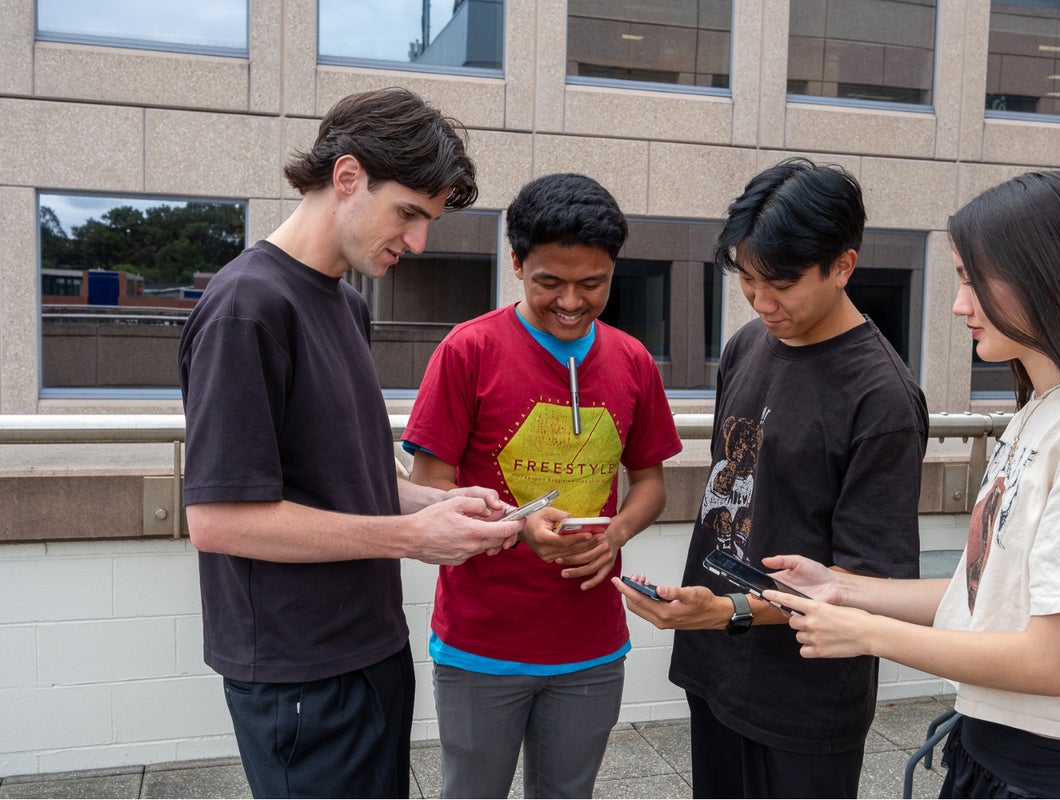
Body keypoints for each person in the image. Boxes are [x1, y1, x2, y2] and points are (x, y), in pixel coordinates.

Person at [763, 171, 1060, 798]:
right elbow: (990, 591)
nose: (958, 304)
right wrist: (845, 589)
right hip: (996, 754)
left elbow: (1047, 663)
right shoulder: (1043, 413)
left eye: (971, 278)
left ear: (1044, 276)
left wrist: (864, 635)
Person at [178, 87, 525, 799]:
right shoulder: (247, 308)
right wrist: (409, 535)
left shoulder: (342, 301)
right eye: (409, 214)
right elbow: (220, 520)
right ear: (346, 177)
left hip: (368, 644)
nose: (419, 242)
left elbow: (345, 475)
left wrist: (441, 503)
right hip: (298, 669)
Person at [614, 157, 929, 798]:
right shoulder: (747, 345)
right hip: (717, 665)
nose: (761, 302)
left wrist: (726, 610)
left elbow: (869, 584)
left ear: (842, 265)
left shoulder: (882, 399)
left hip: (806, 698)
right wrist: (706, 612)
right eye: (748, 281)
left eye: (779, 284)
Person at [401, 172, 682, 798]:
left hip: (591, 644)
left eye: (594, 284)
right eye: (550, 282)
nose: (572, 302)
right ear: (517, 262)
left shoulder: (633, 360)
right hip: (481, 641)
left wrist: (619, 532)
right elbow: (428, 487)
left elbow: (651, 485)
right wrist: (515, 526)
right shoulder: (467, 350)